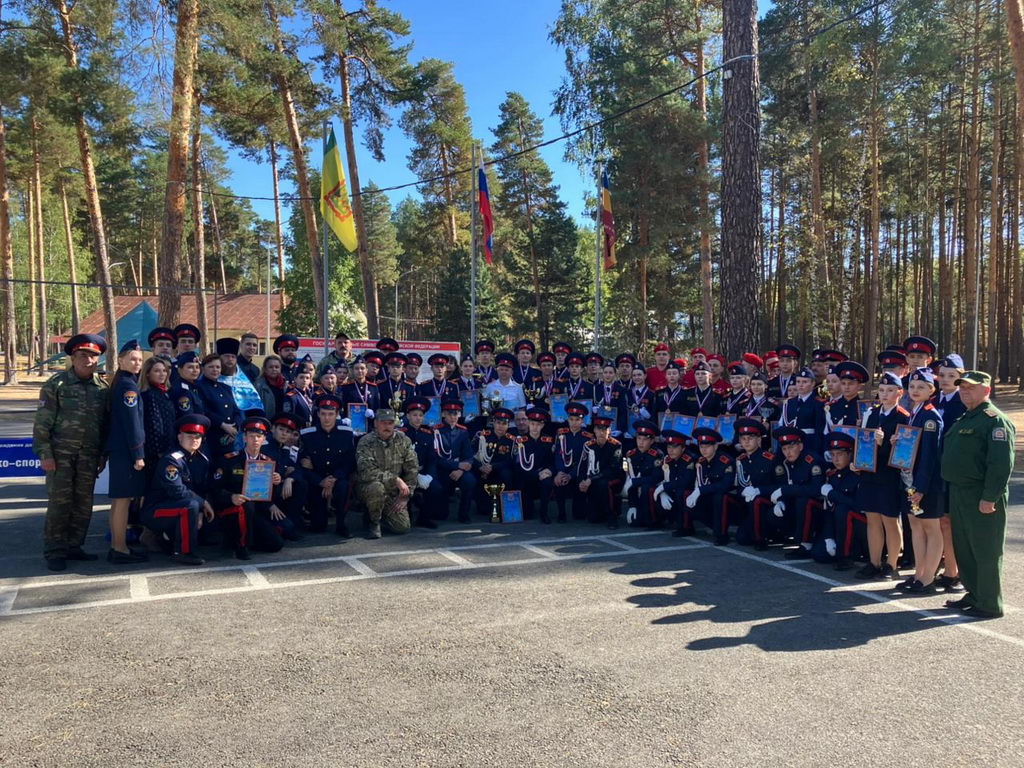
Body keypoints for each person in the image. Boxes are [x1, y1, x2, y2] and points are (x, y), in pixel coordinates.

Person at [940, 371, 1016, 619]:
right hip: (959, 492)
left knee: (985, 549)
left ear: (986, 390)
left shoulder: (994, 421)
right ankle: (974, 594)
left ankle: (990, 603)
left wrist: (989, 497)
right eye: (961, 387)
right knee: (965, 548)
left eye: (971, 388)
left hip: (980, 494)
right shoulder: (966, 418)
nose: (964, 391)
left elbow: (1001, 464)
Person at [33, 334, 110, 571]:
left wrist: (101, 456)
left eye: (93, 356)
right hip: (60, 455)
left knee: (83, 504)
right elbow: (42, 422)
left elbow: (105, 424)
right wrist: (45, 453)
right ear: (73, 358)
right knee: (59, 503)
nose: (88, 360)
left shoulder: (102, 388)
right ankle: (55, 550)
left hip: (88, 455)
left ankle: (75, 546)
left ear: (98, 360)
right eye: (83, 355)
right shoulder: (56, 384)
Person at [855, 372, 910, 580]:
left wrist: (884, 443)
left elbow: (903, 453)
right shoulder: (871, 413)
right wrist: (857, 461)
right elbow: (863, 440)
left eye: (890, 390)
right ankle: (874, 562)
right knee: (872, 519)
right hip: (870, 473)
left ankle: (891, 564)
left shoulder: (903, 416)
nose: (885, 394)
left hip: (889, 475)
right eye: (882, 390)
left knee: (890, 519)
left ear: (899, 393)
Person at [895, 368, 945, 594]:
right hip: (910, 480)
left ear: (931, 390)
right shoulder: (913, 412)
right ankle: (918, 574)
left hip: (926, 483)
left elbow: (929, 456)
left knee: (931, 528)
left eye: (921, 387)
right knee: (915, 526)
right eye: (912, 387)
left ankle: (928, 579)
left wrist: (921, 488)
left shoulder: (931, 416)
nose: (915, 390)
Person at [141, 414, 215, 566]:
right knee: (189, 506)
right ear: (180, 436)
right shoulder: (171, 460)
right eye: (189, 435)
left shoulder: (202, 460)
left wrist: (201, 511)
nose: (194, 439)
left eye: (198, 436)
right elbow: (177, 492)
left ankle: (165, 538)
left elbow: (202, 489)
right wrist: (202, 504)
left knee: (208, 529)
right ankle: (183, 552)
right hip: (156, 511)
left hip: (180, 508)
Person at [210, 414, 285, 559]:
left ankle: (240, 540)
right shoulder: (229, 460)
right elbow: (215, 489)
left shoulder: (268, 463)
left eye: (258, 436)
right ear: (244, 438)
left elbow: (269, 496)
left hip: (256, 510)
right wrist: (231, 497)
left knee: (276, 544)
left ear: (264, 440)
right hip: (232, 509)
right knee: (246, 507)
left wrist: (277, 482)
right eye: (251, 436)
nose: (255, 440)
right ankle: (241, 545)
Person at [105, 340, 149, 564]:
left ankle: (117, 545)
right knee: (122, 501)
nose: (137, 363)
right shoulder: (127, 387)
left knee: (118, 501)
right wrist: (138, 454)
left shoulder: (123, 382)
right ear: (120, 360)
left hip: (120, 450)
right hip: (127, 451)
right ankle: (120, 548)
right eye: (132, 359)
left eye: (140, 360)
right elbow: (132, 423)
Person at [355, 408, 420, 538]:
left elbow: (412, 469)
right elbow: (367, 472)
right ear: (375, 424)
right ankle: (374, 522)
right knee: (376, 488)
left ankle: (380, 512)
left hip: (393, 491)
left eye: (390, 423)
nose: (387, 426)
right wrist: (395, 480)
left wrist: (406, 496)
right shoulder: (365, 442)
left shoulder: (403, 440)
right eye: (383, 423)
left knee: (402, 527)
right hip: (368, 487)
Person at [299, 394, 356, 536]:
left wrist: (333, 479)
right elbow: (304, 466)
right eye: (323, 414)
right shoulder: (307, 435)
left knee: (343, 486)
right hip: (317, 481)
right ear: (318, 414)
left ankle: (341, 524)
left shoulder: (347, 434)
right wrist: (321, 481)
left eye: (331, 414)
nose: (326, 418)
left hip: (337, 479)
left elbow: (350, 462)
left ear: (337, 414)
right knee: (318, 526)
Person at [769, 427, 826, 559]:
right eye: (784, 449)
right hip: (794, 504)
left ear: (800, 446)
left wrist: (785, 490)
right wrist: (781, 500)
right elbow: (781, 483)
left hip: (816, 508)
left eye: (791, 448)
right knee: (772, 514)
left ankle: (806, 543)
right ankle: (789, 535)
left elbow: (816, 489)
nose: (788, 452)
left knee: (803, 501)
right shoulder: (782, 462)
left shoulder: (812, 461)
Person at [678, 427, 736, 544]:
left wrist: (700, 490)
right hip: (710, 498)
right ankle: (687, 527)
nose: (704, 450)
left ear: (716, 446)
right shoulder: (701, 462)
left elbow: (725, 485)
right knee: (686, 495)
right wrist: (696, 492)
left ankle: (722, 534)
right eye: (701, 446)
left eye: (707, 446)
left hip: (730, 501)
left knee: (720, 497)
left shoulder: (725, 461)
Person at [814, 432, 864, 569]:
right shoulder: (832, 476)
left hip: (859, 528)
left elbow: (857, 505)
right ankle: (837, 545)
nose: (835, 459)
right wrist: (829, 537)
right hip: (838, 528)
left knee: (843, 510)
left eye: (840, 454)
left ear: (849, 454)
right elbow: (829, 509)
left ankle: (845, 556)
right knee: (819, 554)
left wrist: (832, 494)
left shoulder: (857, 475)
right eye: (833, 455)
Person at [731, 419, 779, 549]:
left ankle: (761, 539)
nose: (746, 441)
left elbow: (778, 485)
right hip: (749, 508)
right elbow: (739, 485)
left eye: (751, 438)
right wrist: (743, 491)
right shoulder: (740, 460)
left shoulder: (769, 459)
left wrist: (759, 490)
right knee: (742, 539)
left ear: (759, 440)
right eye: (743, 438)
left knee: (757, 501)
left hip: (767, 505)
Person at [399, 397, 446, 528]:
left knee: (436, 488)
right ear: (408, 416)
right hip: (404, 474)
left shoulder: (428, 433)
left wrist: (429, 476)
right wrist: (414, 476)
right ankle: (406, 513)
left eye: (420, 415)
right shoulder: (401, 434)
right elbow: (398, 460)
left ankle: (424, 518)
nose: (418, 418)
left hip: (423, 471)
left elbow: (432, 459)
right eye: (414, 415)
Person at [434, 399, 477, 522]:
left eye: (456, 414)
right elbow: (436, 458)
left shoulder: (463, 431)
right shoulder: (436, 431)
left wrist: (460, 470)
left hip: (459, 470)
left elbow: (468, 456)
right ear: (443, 414)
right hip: (443, 470)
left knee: (470, 481)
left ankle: (464, 513)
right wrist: (456, 465)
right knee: (441, 515)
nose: (453, 417)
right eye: (450, 414)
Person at [578, 414, 625, 527]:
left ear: (609, 430)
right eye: (599, 429)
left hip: (613, 478)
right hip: (594, 480)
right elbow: (582, 466)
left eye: (605, 429)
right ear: (594, 430)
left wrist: (591, 479)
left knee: (603, 484)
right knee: (593, 518)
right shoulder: (588, 445)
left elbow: (613, 469)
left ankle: (611, 516)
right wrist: (582, 481)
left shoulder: (616, 445)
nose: (602, 432)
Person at [471, 406, 517, 520]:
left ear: (508, 425)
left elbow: (511, 460)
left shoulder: (512, 440)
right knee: (484, 511)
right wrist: (480, 466)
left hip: (499, 472)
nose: (501, 426)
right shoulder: (482, 436)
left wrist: (493, 467)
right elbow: (470, 455)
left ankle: (506, 504)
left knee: (507, 474)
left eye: (504, 423)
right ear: (493, 422)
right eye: (498, 423)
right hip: (482, 472)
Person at [552, 402, 592, 522]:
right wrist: (560, 472)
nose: (574, 423)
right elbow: (558, 455)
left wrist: (571, 475)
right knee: (558, 482)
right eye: (571, 419)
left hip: (579, 473)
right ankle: (561, 513)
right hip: (564, 470)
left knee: (579, 515)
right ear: (567, 419)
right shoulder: (561, 434)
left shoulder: (588, 437)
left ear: (582, 421)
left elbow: (584, 461)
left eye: (577, 420)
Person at [196, 353, 240, 458]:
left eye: (217, 367)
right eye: (211, 367)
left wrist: (235, 428)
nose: (215, 370)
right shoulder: (198, 387)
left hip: (229, 438)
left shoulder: (226, 388)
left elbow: (236, 410)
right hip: (211, 437)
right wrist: (222, 425)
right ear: (203, 368)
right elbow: (204, 411)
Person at [141, 356, 176, 484]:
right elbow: (154, 425)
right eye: (157, 371)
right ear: (148, 374)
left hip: (168, 447)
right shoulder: (149, 395)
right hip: (156, 453)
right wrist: (159, 451)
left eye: (164, 370)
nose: (162, 374)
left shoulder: (165, 393)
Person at [622, 420, 664, 528]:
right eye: (639, 439)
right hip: (637, 493)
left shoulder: (657, 455)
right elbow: (629, 476)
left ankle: (654, 519)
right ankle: (637, 510)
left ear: (652, 441)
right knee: (634, 523)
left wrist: (634, 481)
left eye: (645, 439)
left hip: (654, 489)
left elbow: (656, 477)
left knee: (646, 487)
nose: (641, 442)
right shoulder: (631, 454)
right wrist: (632, 505)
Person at [170, 350, 205, 418]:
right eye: (190, 367)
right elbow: (188, 417)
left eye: (197, 367)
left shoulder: (195, 386)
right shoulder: (181, 390)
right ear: (180, 370)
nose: (195, 370)